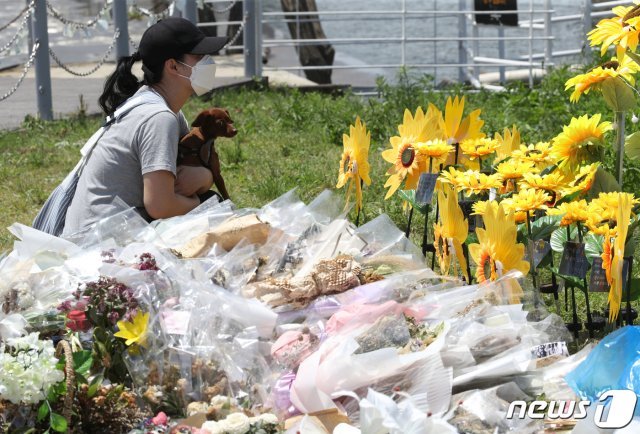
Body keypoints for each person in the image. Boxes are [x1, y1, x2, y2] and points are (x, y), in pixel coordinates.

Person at [62, 18, 228, 236]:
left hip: (100, 233)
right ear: (173, 66)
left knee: (214, 208)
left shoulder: (157, 106)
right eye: (199, 56)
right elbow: (161, 206)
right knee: (216, 209)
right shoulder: (158, 118)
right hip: (101, 245)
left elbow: (190, 170)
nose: (208, 62)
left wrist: (204, 177)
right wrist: (205, 201)